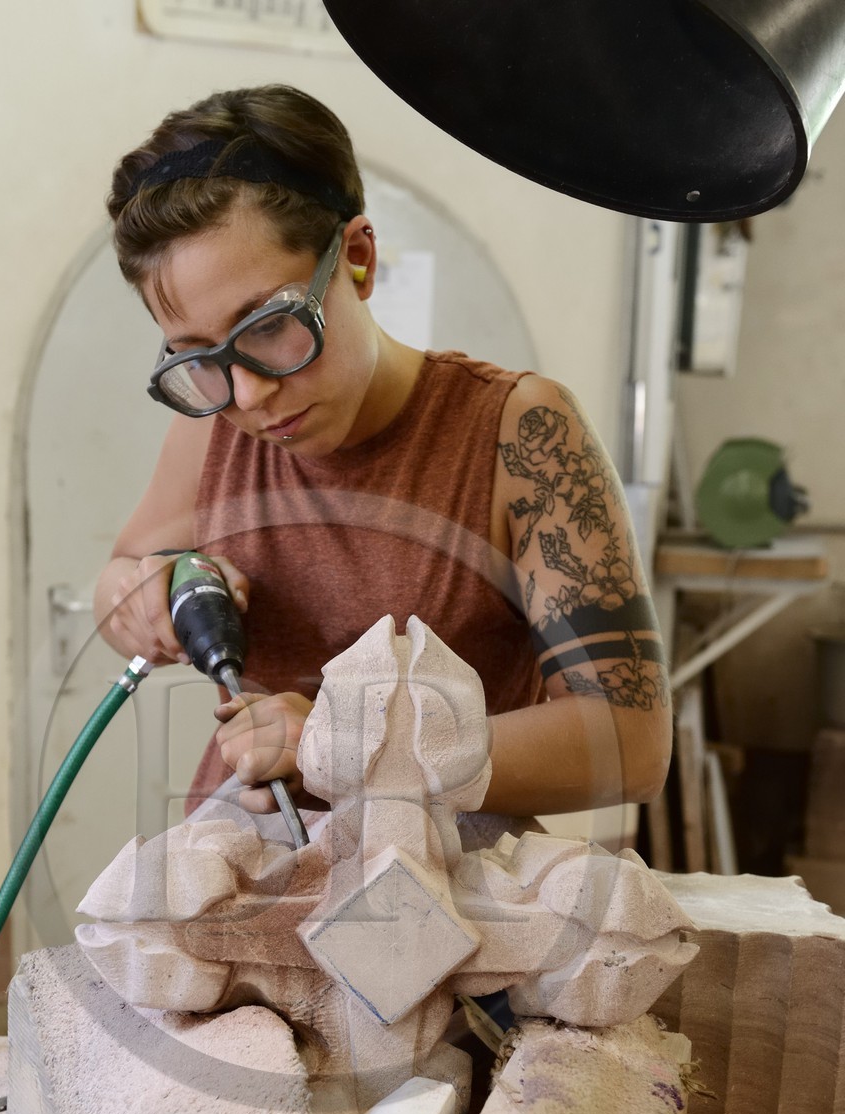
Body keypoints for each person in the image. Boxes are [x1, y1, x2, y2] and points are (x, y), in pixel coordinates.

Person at [94, 85, 671, 826]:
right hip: (249, 863)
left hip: (449, 902)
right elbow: (124, 577)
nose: (250, 394)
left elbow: (630, 743)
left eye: (268, 326)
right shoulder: (216, 426)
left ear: (358, 260)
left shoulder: (519, 432)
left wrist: (356, 746)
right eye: (198, 357)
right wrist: (143, 597)